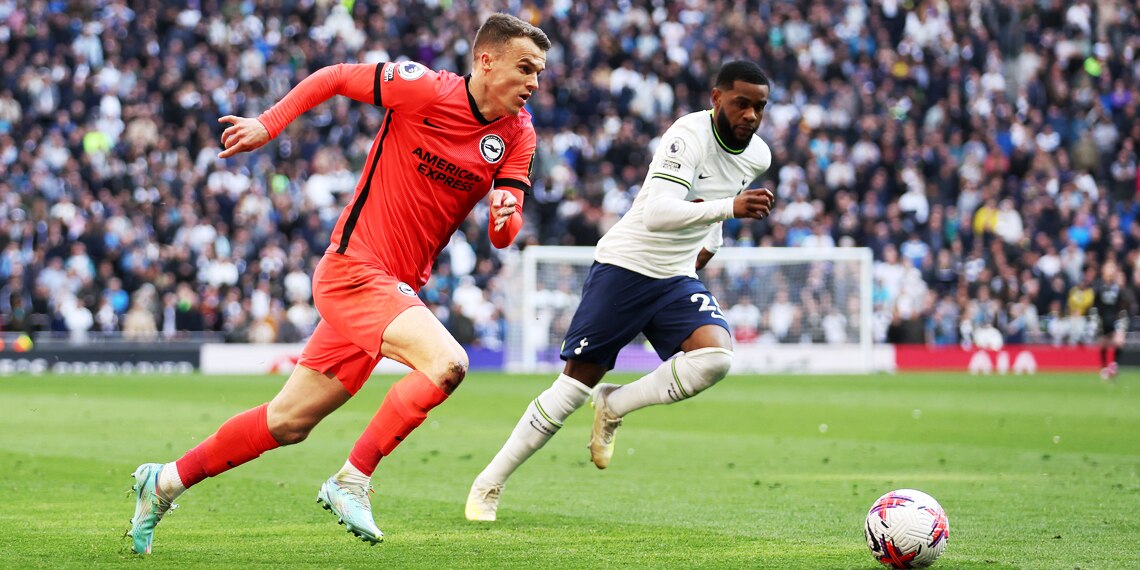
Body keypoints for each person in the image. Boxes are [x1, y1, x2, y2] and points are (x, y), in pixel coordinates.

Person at [127, 13, 550, 553]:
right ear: (486, 60)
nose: (534, 82)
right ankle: (352, 479)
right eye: (525, 68)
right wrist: (269, 123)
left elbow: (503, 236)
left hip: (393, 288)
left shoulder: (518, 133)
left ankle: (161, 483)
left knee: (287, 422)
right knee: (448, 363)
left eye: (539, 72)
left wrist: (505, 213)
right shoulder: (422, 88)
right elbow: (332, 75)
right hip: (354, 269)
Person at [465, 61, 775, 522]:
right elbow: (657, 214)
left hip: (673, 277)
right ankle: (489, 483)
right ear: (716, 99)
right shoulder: (686, 136)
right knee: (571, 389)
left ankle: (615, 404)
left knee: (716, 357)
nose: (750, 114)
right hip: (625, 267)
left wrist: (707, 248)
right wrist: (729, 209)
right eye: (741, 103)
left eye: (760, 107)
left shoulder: (758, 157)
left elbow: (712, 220)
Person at [1092, 260, 1133, 380]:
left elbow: (1124, 305)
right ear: (1103, 271)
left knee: (1119, 342)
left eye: (1112, 269)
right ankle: (1104, 367)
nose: (1110, 272)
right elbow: (1095, 306)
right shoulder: (1099, 287)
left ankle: (1114, 365)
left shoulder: (1118, 288)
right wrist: (1095, 321)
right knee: (1103, 344)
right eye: (1108, 269)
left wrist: (1122, 319)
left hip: (1115, 320)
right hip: (1103, 320)